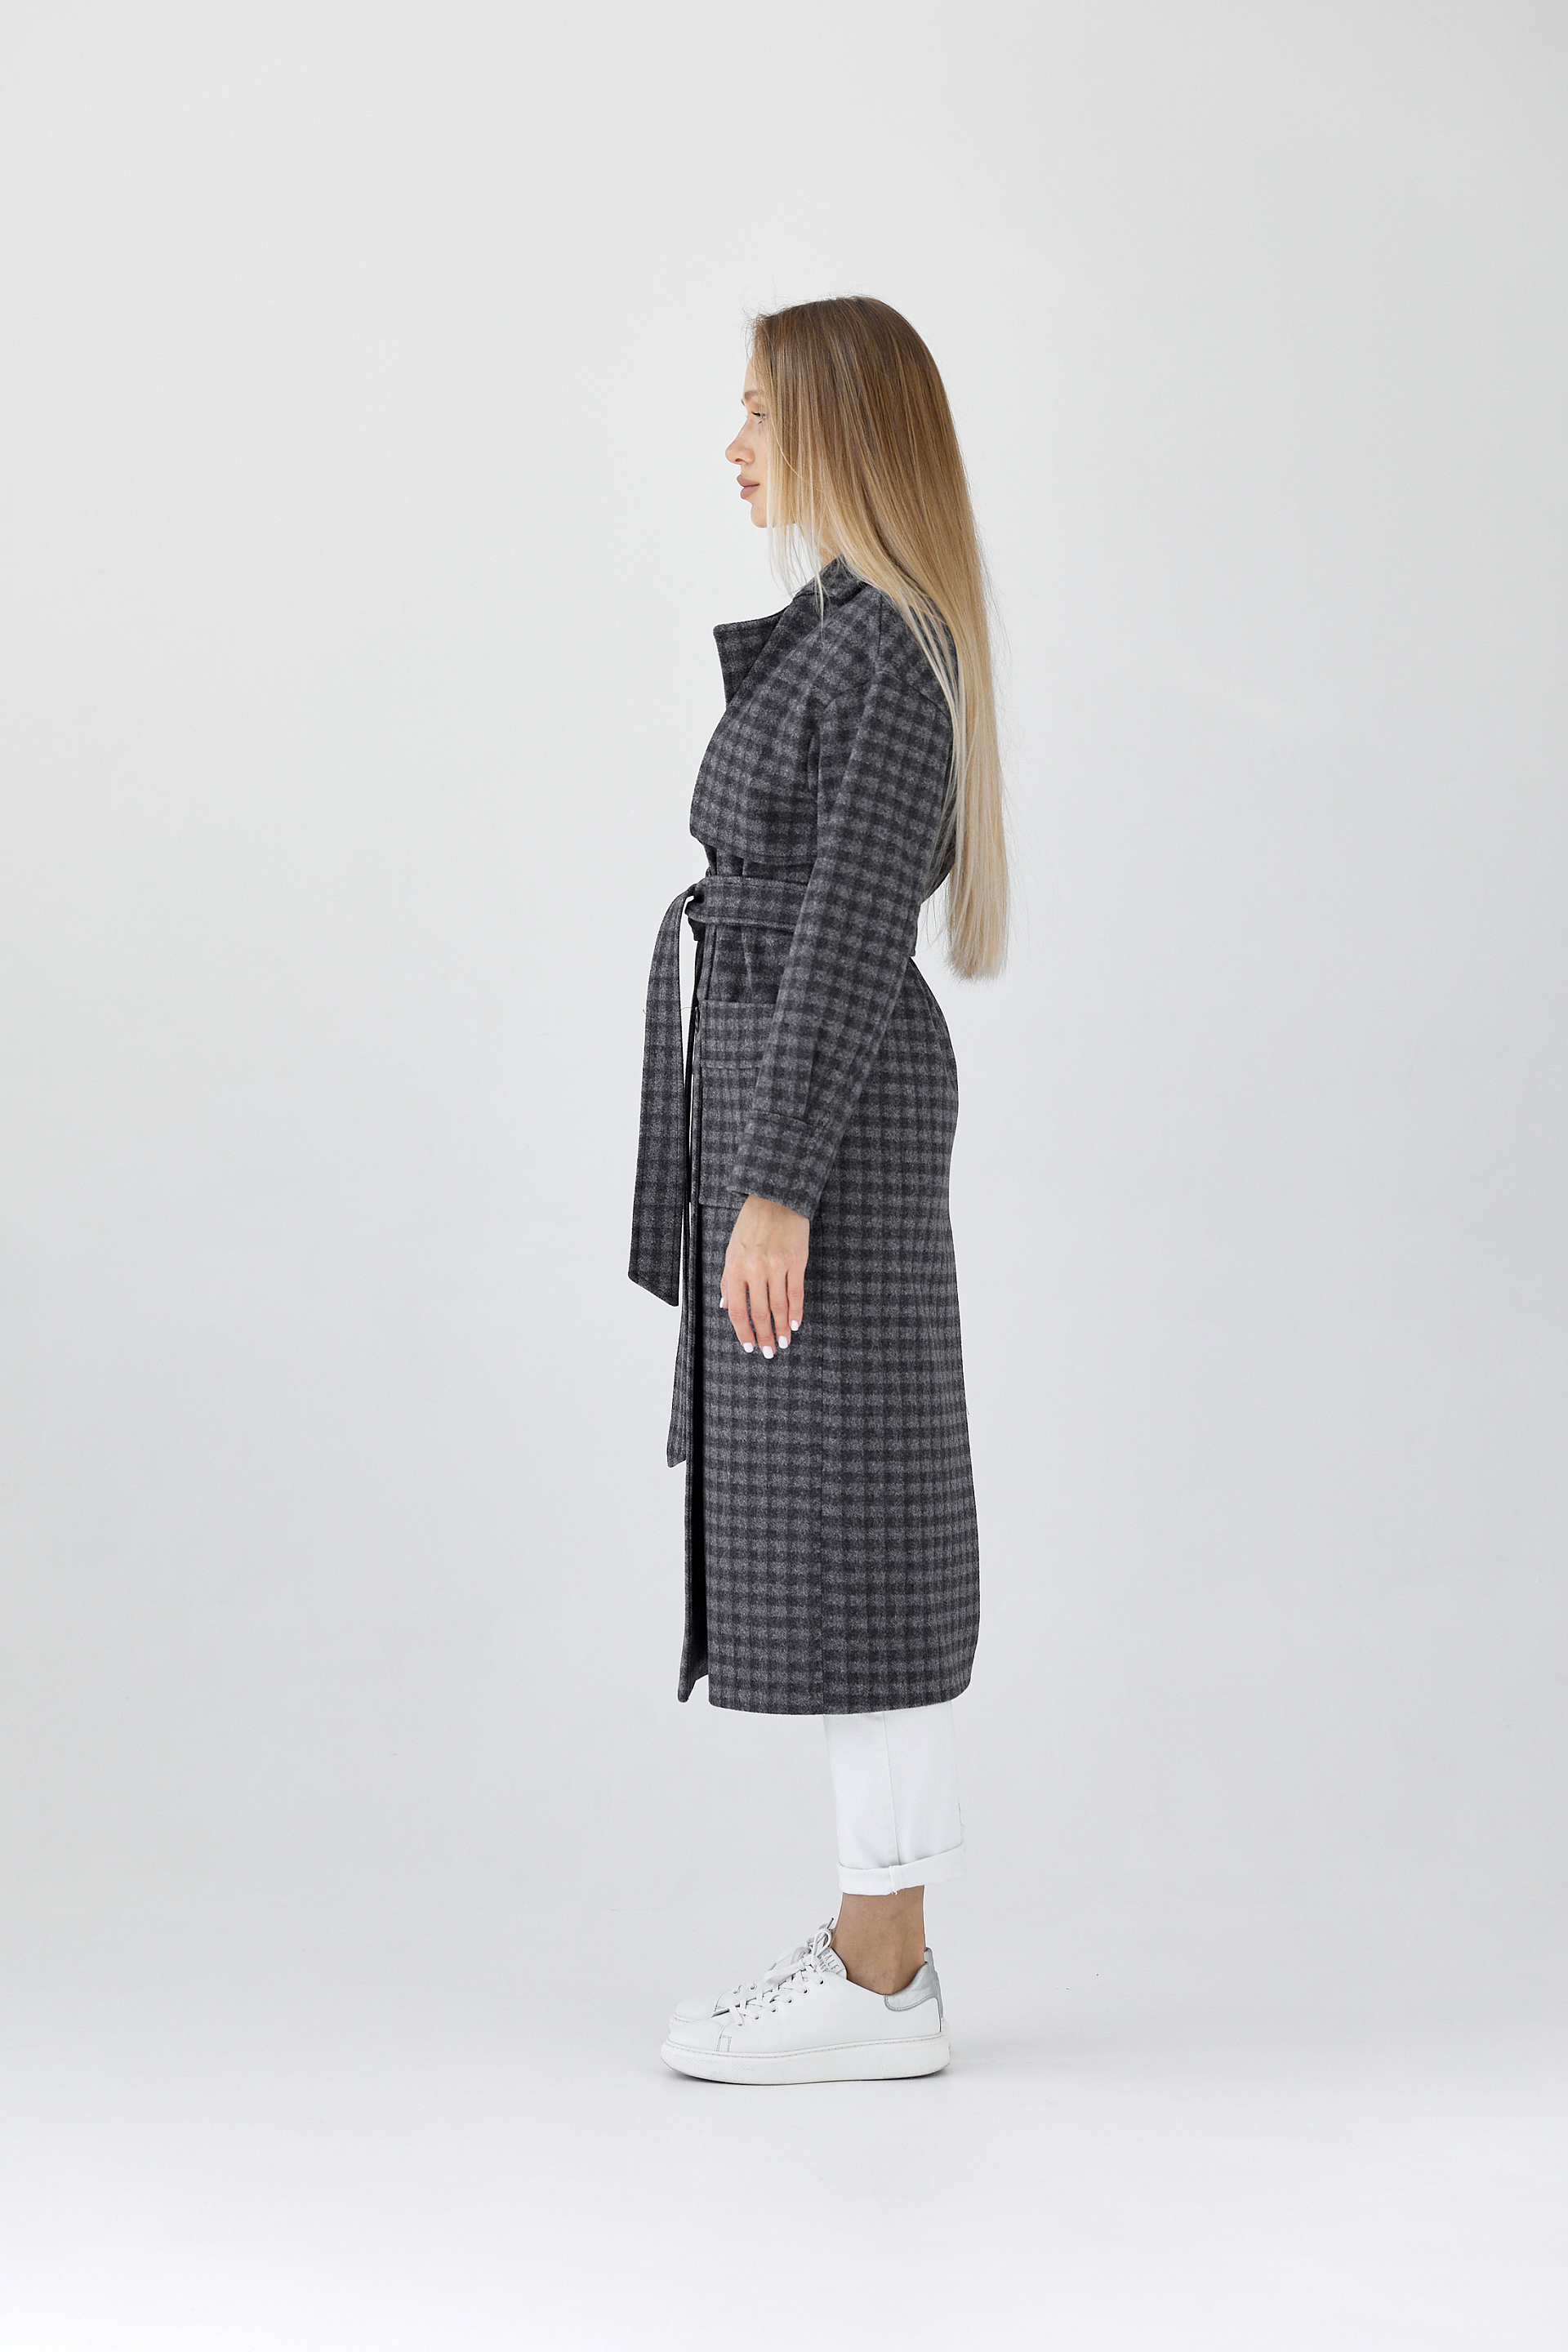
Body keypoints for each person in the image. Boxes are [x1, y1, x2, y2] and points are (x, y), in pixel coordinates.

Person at [630, 296, 1007, 2084]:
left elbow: (853, 930)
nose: (735, 446)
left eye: (762, 415)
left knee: (869, 1533)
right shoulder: (852, 636)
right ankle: (878, 1958)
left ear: (844, 431)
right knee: (848, 1528)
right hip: (796, 1096)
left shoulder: (891, 654)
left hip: (825, 1118)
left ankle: (882, 1979)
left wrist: (778, 1185)